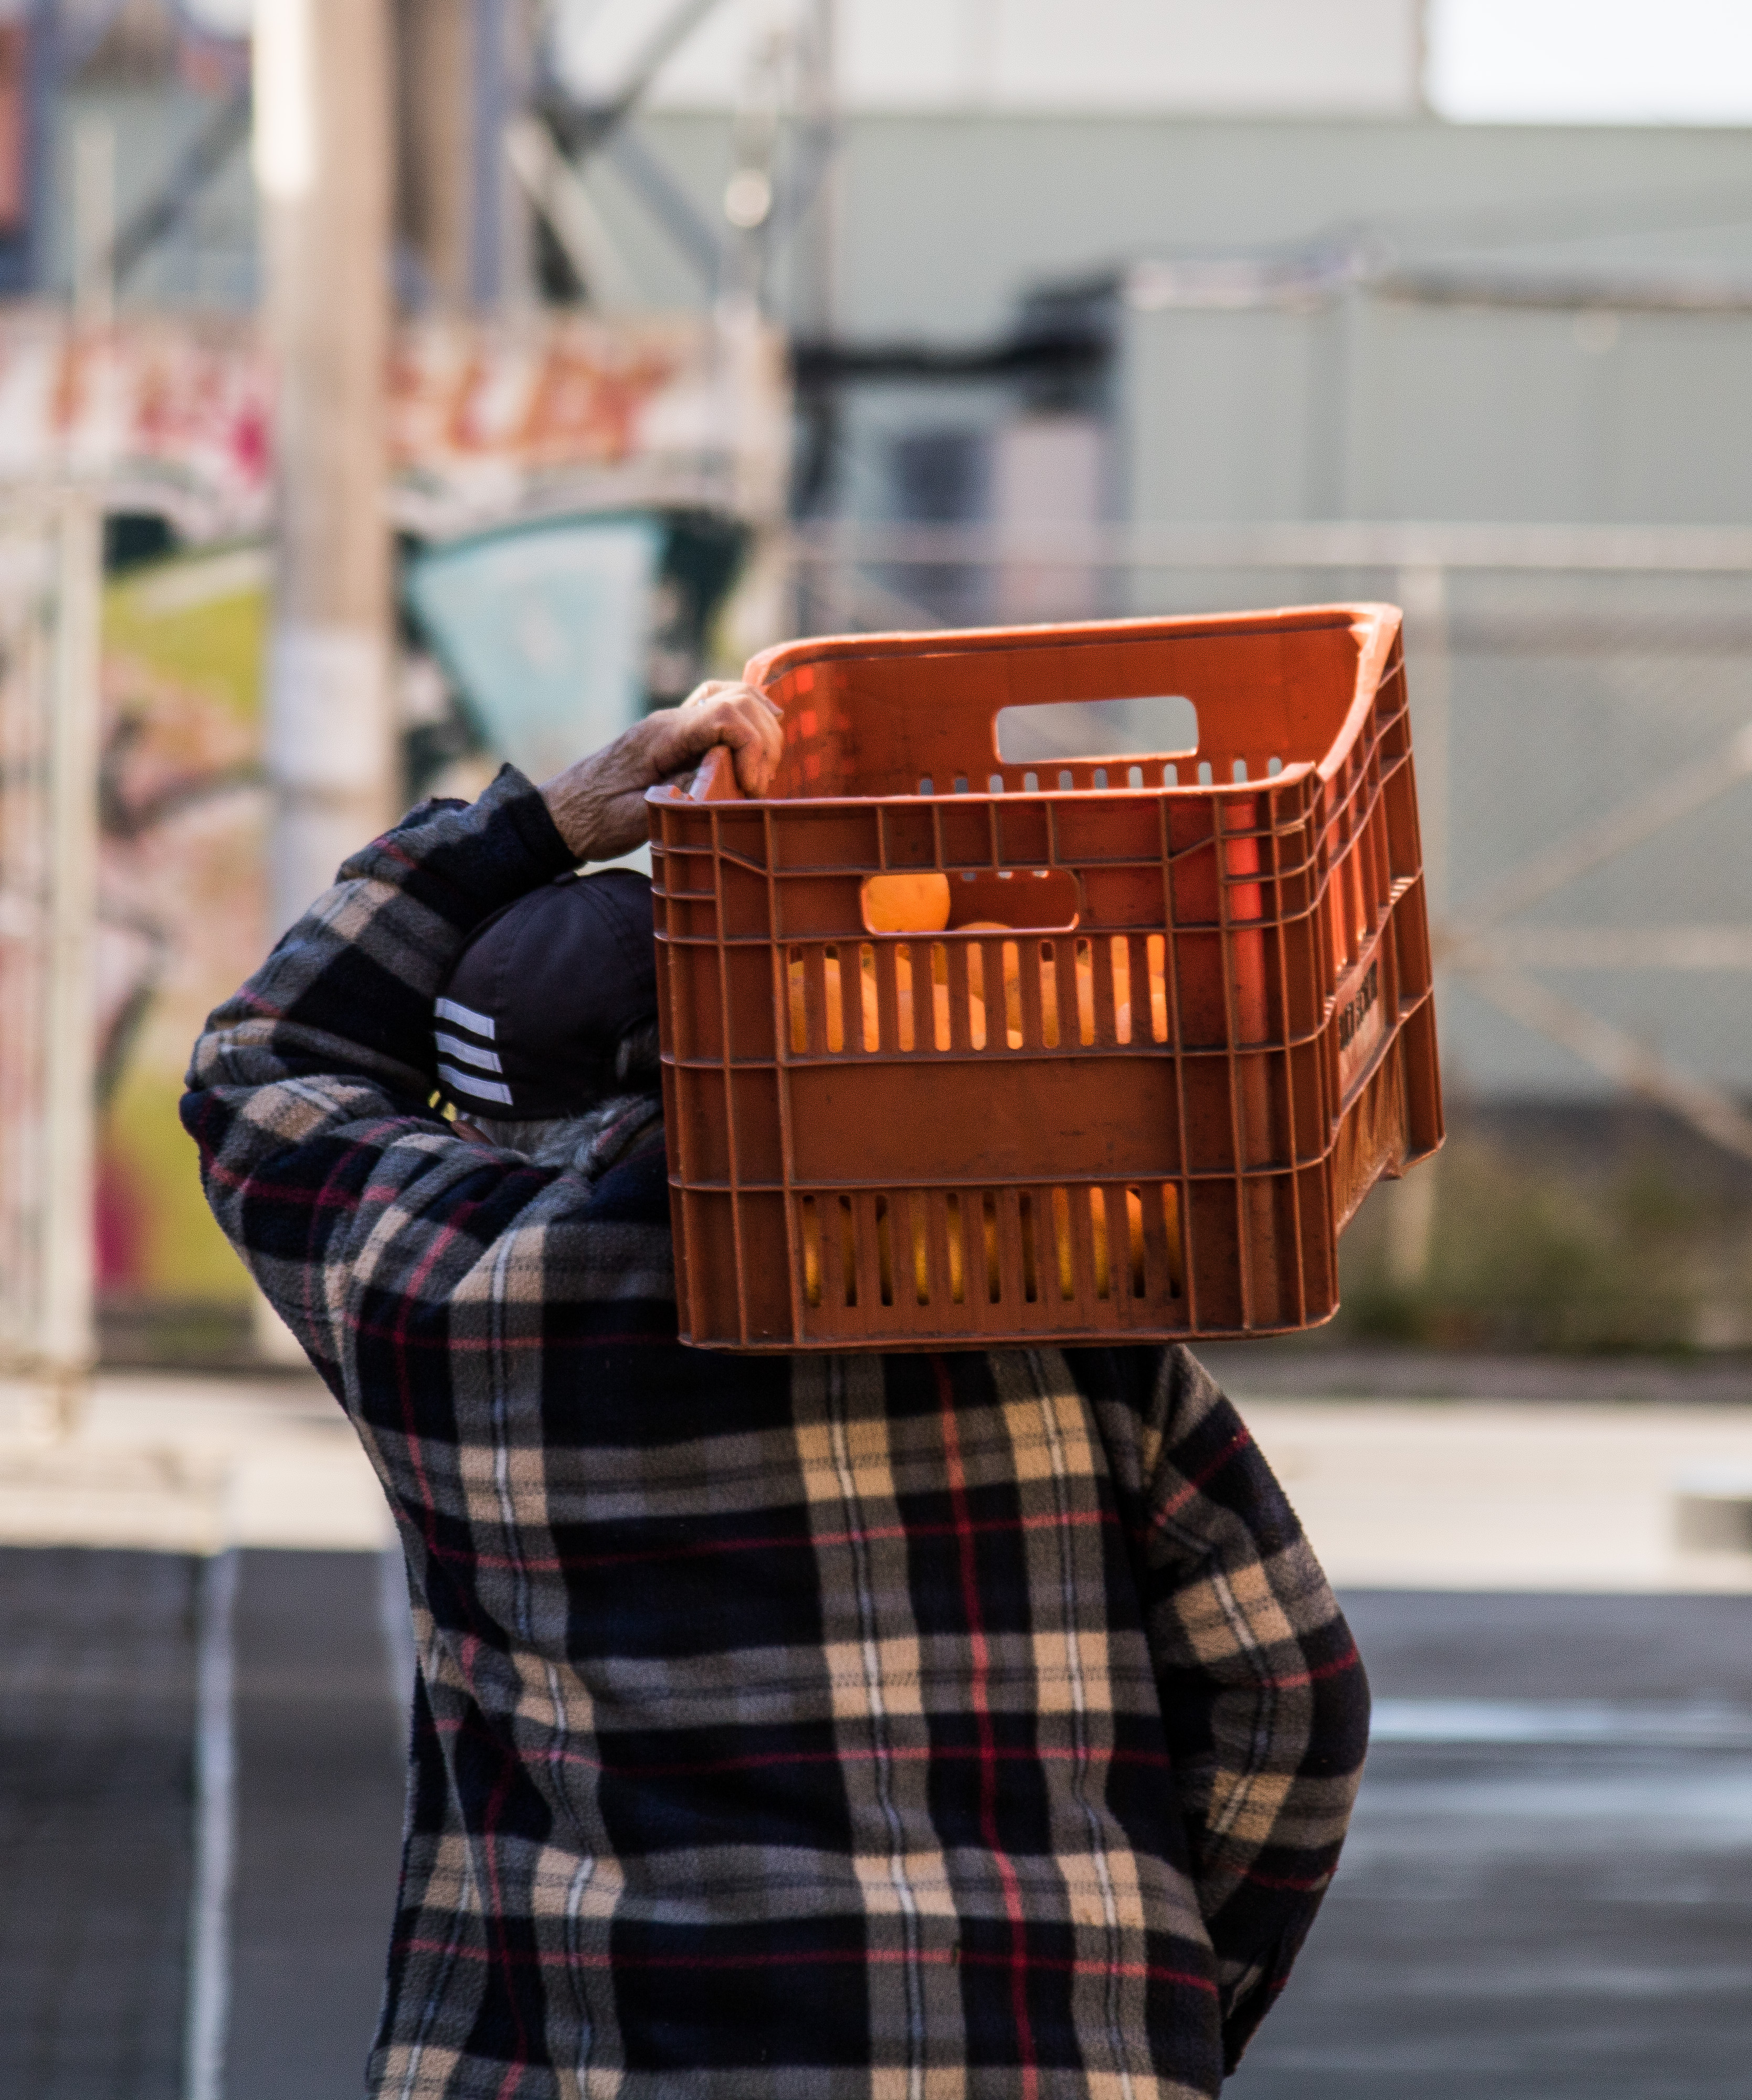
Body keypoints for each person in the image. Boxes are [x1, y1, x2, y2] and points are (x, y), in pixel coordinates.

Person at [182, 685, 1368, 2098]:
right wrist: (1139, 2004)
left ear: (498, 1113)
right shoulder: (1031, 1289)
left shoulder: (441, 1301)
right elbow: (1290, 1695)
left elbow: (263, 1061)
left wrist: (544, 823)